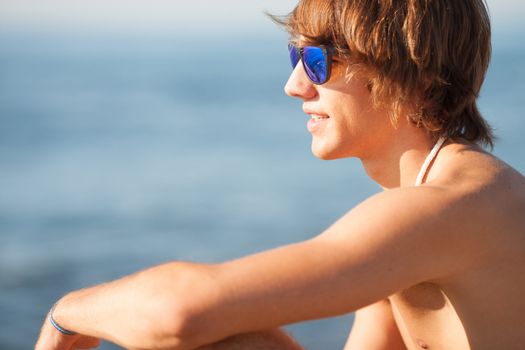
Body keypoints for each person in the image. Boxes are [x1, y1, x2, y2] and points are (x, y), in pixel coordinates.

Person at [36, 0, 525, 349]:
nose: (293, 86)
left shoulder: (447, 207)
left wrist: (68, 313)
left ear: (412, 74)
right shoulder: (428, 200)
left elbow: (180, 313)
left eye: (318, 62)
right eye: (296, 57)